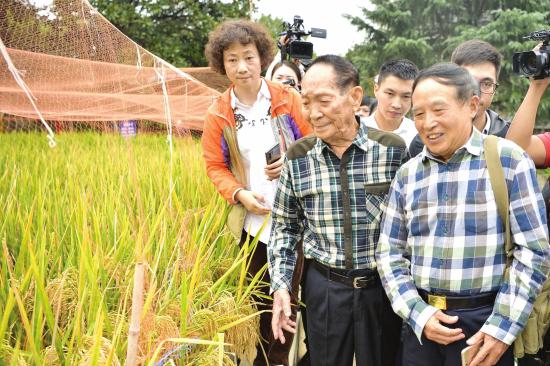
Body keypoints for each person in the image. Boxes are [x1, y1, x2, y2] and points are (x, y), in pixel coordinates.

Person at [376, 63, 550, 366]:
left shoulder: (507, 160)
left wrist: (501, 330)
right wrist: (418, 313)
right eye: (418, 113)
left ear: (471, 106)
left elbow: (533, 251)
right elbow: (389, 253)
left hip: (485, 324)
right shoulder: (409, 174)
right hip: (423, 325)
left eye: (439, 110)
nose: (428, 123)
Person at [269, 54, 407, 366]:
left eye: (324, 101)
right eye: (306, 102)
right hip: (325, 286)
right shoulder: (298, 157)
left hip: (382, 287)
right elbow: (284, 228)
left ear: (355, 97)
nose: (313, 113)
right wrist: (281, 287)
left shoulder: (393, 151)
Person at [201, 19, 312, 366]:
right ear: (222, 64)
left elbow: (312, 144)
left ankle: (278, 360)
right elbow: (214, 166)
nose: (242, 66)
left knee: (289, 299)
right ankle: (259, 357)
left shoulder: (286, 99)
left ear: (262, 57)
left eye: (248, 57)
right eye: (232, 59)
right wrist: (238, 194)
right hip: (253, 227)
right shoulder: (219, 113)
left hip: (295, 221)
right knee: (259, 301)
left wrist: (292, 160)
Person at [409, 39, 511, 157]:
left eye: (486, 84)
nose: (476, 92)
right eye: (468, 82)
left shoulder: (509, 136)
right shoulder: (423, 143)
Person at [364, 59, 419, 146]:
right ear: (376, 89)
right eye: (390, 93)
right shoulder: (356, 131)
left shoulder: (418, 135)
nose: (396, 105)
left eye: (406, 96)